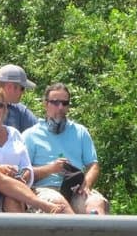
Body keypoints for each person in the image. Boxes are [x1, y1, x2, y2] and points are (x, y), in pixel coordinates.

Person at [0, 86, 69, 214]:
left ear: (4, 109)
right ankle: (41, 204)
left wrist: (23, 176)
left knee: (15, 198)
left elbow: (26, 167)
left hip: (15, 189)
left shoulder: (14, 134)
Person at [22, 83, 110, 214]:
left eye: (64, 103)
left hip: (75, 189)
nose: (60, 107)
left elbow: (93, 165)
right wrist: (50, 169)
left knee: (96, 203)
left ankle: (98, 233)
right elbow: (23, 174)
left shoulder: (80, 132)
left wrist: (87, 184)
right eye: (55, 103)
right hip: (45, 189)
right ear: (45, 104)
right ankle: (78, 232)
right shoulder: (30, 135)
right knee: (59, 204)